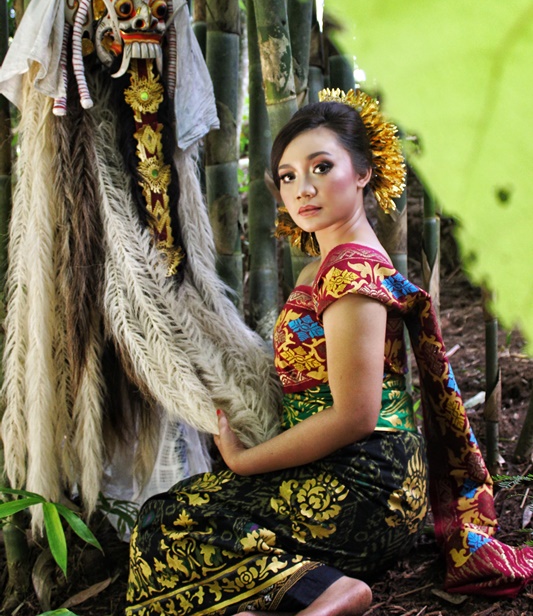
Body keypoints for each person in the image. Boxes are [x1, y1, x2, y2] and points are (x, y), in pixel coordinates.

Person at [126, 89, 533, 616]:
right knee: (171, 515)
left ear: (363, 172)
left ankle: (330, 595)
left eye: (322, 166)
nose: (303, 188)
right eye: (289, 176)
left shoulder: (350, 273)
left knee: (168, 519)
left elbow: (355, 416)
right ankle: (265, 600)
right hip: (349, 473)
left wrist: (246, 462)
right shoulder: (322, 268)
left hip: (365, 483)